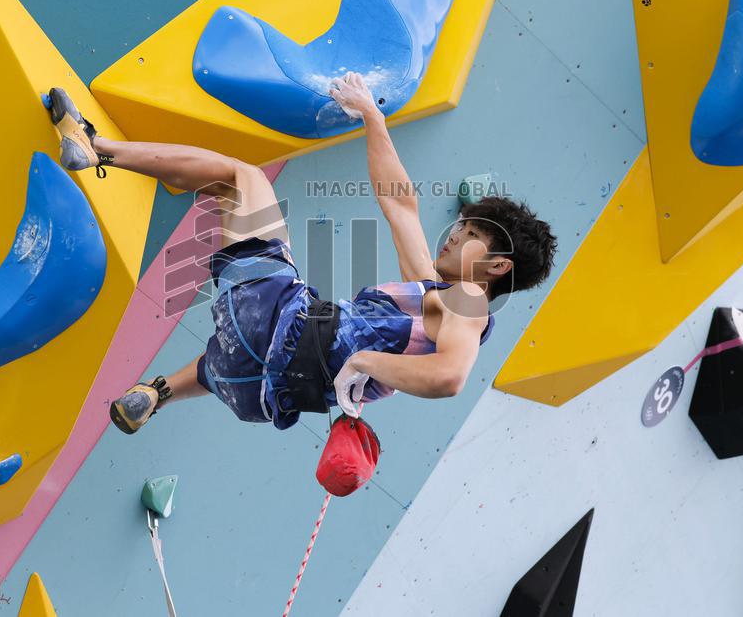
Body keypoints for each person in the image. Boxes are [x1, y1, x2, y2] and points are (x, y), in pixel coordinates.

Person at [43, 72, 557, 435]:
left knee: (239, 179)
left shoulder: (468, 302)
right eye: (461, 223)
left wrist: (363, 359)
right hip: (256, 394)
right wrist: (372, 118)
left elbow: (450, 377)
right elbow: (400, 204)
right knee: (225, 358)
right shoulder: (430, 298)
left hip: (276, 321)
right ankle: (157, 394)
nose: (454, 233)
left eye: (471, 233)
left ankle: (96, 147)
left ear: (497, 267)